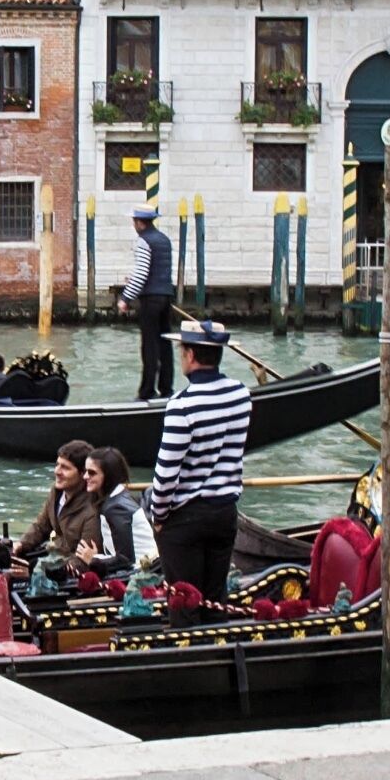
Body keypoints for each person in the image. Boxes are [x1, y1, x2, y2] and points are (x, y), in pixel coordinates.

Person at [144, 321, 252, 622]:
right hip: (225, 513)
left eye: (182, 351)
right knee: (215, 601)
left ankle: (188, 664)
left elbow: (166, 472)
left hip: (185, 519)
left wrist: (159, 517)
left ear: (190, 354)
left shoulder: (182, 405)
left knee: (184, 605)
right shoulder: (240, 395)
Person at [116, 205, 177, 401]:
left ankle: (147, 391)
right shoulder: (164, 240)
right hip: (166, 297)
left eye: (134, 221)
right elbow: (156, 272)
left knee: (149, 346)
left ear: (140, 222)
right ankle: (166, 389)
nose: (133, 224)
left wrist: (125, 298)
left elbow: (142, 274)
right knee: (165, 345)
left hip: (151, 301)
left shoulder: (143, 241)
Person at [14, 442, 97, 567]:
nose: (57, 471)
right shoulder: (56, 493)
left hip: (67, 566)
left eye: (65, 468)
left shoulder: (92, 509)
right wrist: (21, 544)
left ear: (82, 474)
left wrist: (36, 571)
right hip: (54, 555)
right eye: (57, 465)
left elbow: (83, 559)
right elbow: (41, 527)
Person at [75, 445, 145, 578]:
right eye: (85, 471)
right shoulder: (117, 499)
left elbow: (126, 560)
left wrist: (93, 559)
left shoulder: (116, 508)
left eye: (92, 472)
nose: (85, 476)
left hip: (139, 573)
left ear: (108, 476)